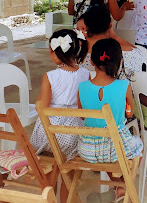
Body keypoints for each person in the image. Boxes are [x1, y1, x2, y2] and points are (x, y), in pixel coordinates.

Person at [78, 38, 143, 202]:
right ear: (120, 61)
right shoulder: (124, 85)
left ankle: (118, 187)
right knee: (138, 146)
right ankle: (123, 187)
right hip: (114, 147)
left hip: (88, 149)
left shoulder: (82, 87)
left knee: (108, 149)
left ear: (91, 61)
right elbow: (130, 113)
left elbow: (82, 115)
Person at [30, 29, 89, 202]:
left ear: (56, 53)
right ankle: (66, 200)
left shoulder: (50, 76)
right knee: (68, 176)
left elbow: (43, 107)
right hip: (74, 132)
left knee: (49, 168)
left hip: (51, 131)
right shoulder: (85, 74)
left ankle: (48, 197)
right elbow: (81, 106)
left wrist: (37, 103)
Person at [78, 6, 143, 80]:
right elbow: (138, 53)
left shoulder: (75, 51)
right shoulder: (132, 54)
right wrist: (113, 35)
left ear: (87, 27)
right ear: (110, 24)